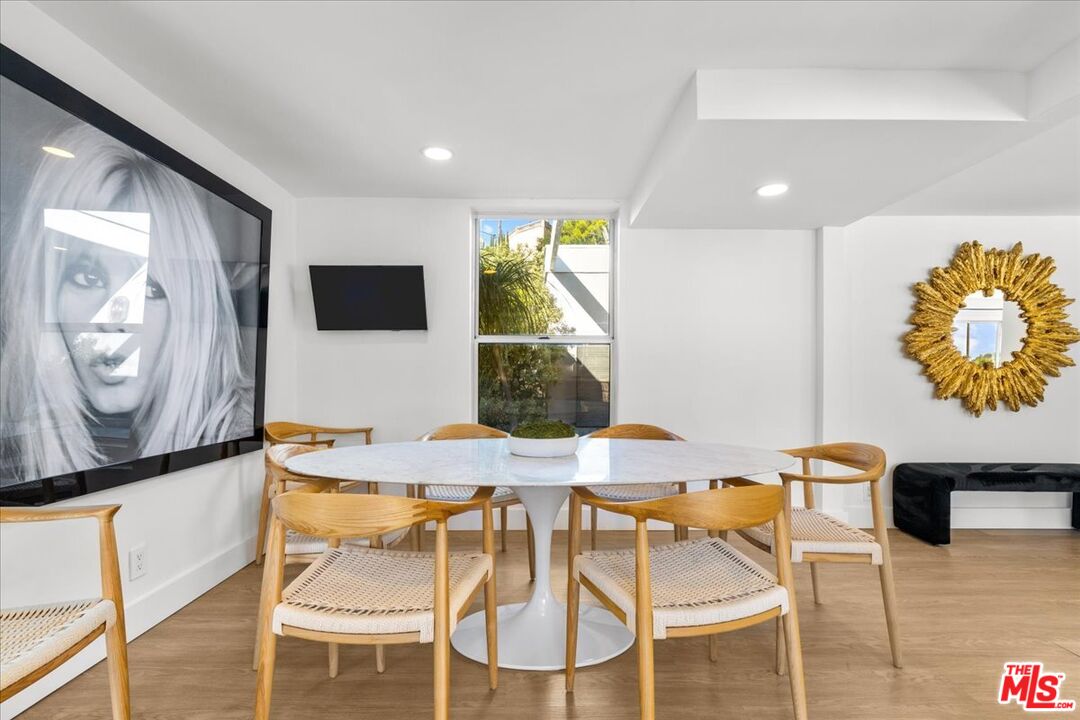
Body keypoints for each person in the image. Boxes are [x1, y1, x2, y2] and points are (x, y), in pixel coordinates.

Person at [0, 122, 253, 485]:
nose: (115, 320)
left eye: (149, 287)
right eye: (88, 277)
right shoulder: (17, 443)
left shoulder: (234, 429)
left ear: (189, 309)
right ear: (45, 293)